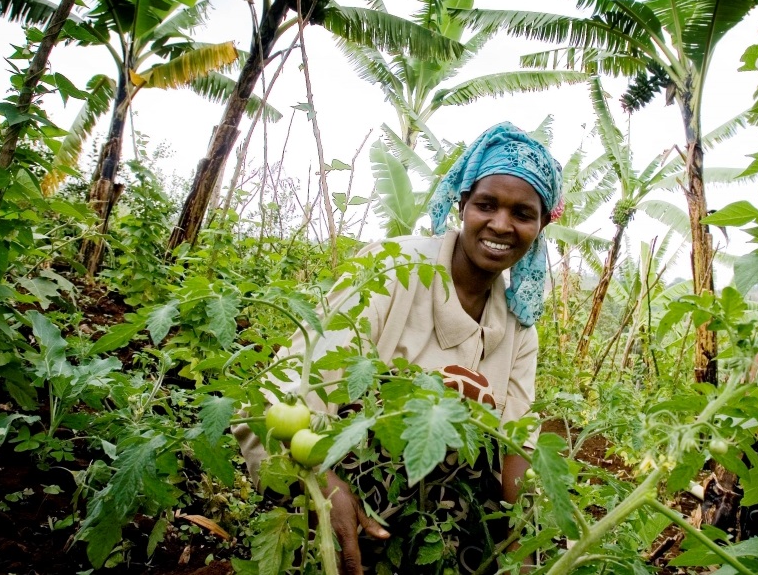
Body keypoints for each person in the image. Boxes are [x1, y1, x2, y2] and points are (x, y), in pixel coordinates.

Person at [236, 122, 562, 574]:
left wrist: (527, 546)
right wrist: (322, 489)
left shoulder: (519, 328)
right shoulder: (391, 269)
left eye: (523, 214)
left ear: (542, 225)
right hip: (349, 490)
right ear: (462, 204)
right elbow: (275, 398)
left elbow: (515, 447)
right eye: (486, 205)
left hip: (440, 523)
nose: (501, 225)